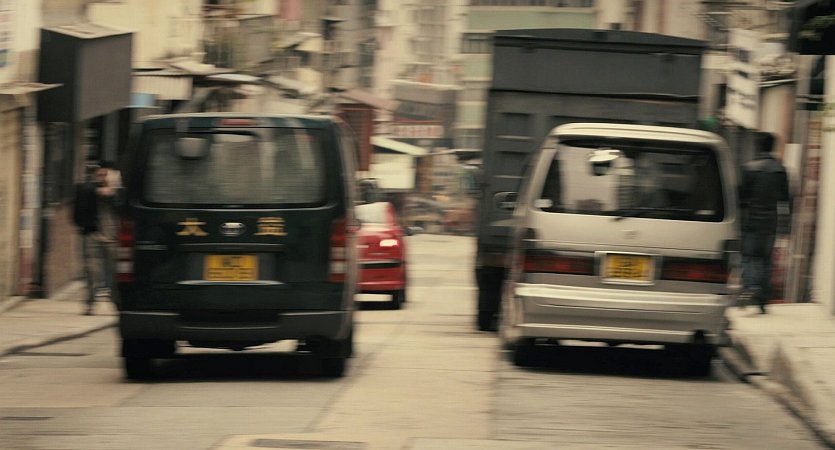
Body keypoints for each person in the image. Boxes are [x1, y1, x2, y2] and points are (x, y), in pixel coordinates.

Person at [738, 131, 791, 314]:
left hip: (751, 220)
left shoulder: (749, 168)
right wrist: (786, 227)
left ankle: (749, 288)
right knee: (766, 259)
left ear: (758, 146)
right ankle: (762, 299)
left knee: (748, 256)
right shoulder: (780, 170)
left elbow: (741, 197)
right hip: (770, 222)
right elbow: (785, 200)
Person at [73, 163, 119, 315]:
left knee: (116, 273)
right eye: (100, 175)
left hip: (113, 238)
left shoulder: (117, 193)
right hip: (93, 235)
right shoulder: (89, 190)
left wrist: (112, 190)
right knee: (92, 271)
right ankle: (90, 303)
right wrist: (98, 190)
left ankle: (117, 303)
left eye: (106, 175)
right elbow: (83, 192)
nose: (103, 178)